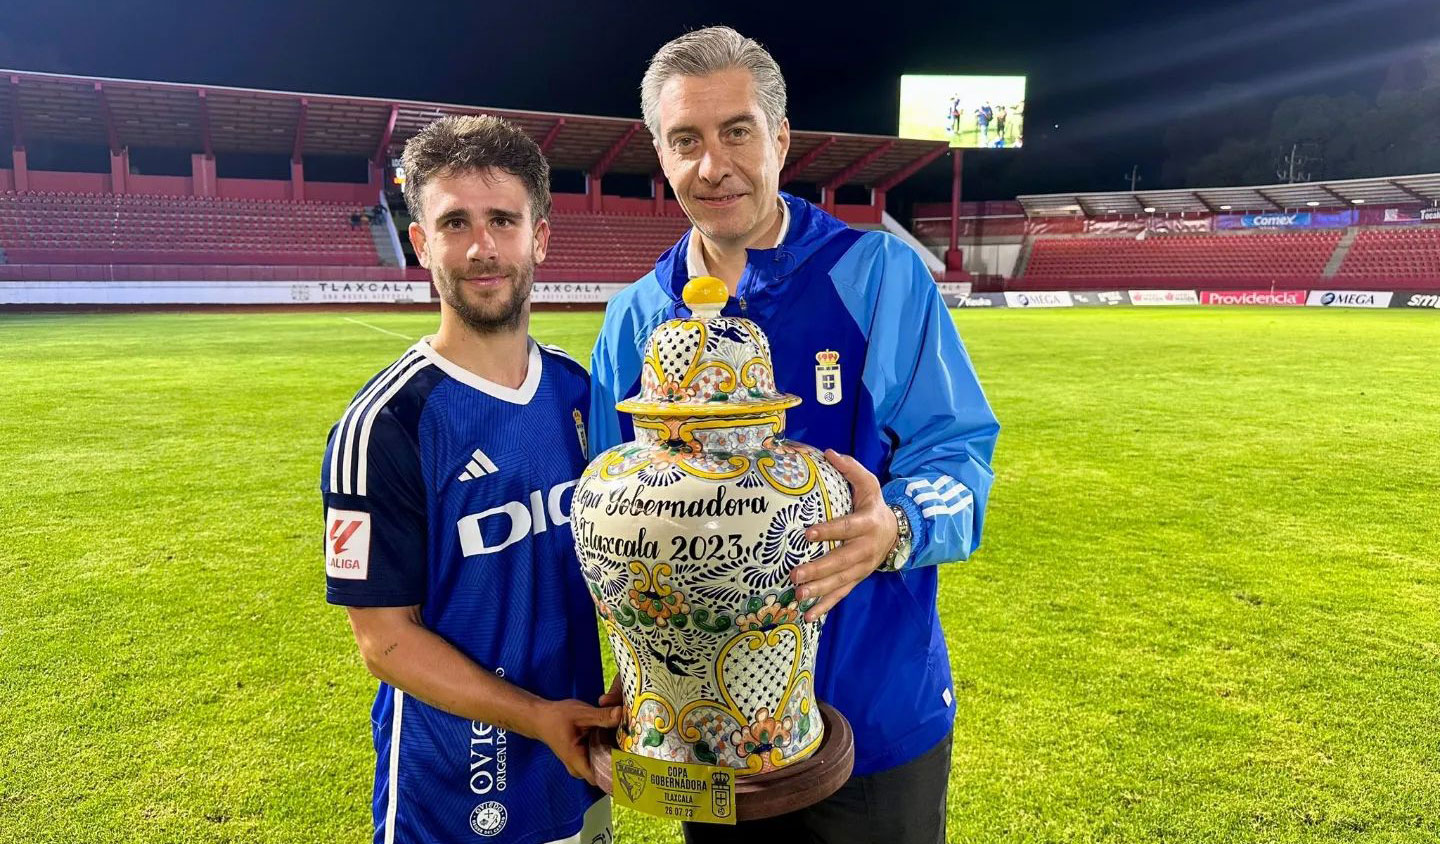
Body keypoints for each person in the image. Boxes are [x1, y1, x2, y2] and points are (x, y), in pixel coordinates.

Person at [588, 26, 999, 844]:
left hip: (875, 715)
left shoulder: (878, 276)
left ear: (779, 137)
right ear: (661, 155)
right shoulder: (636, 317)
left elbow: (955, 455)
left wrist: (896, 525)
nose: (714, 165)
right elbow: (609, 505)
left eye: (737, 130)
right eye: (686, 141)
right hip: (710, 740)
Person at [320, 114, 617, 844]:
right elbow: (385, 642)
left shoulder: (583, 396)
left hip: (578, 772)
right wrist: (536, 717)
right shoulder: (385, 425)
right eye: (455, 222)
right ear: (422, 243)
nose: (482, 247)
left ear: (539, 237)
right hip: (451, 795)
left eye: (502, 220)